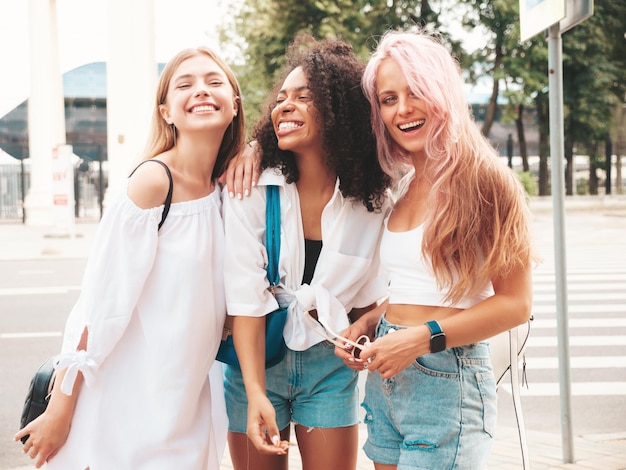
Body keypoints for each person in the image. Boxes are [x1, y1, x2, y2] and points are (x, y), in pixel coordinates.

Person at [15, 46, 245, 469]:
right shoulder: (153, 183)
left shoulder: (227, 192)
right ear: (166, 112)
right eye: (185, 84)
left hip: (185, 408)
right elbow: (98, 307)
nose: (202, 91)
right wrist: (61, 411)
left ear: (234, 104)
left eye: (215, 82)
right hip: (124, 408)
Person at [339, 30, 536, 469]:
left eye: (415, 92)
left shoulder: (484, 179)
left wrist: (417, 340)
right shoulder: (406, 183)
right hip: (388, 377)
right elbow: (426, 285)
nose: (403, 109)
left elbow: (516, 304)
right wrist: (370, 322)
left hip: (447, 379)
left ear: (441, 91)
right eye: (388, 99)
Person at [221, 35, 391, 470]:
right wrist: (256, 391)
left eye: (303, 97)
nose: (284, 106)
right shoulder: (252, 188)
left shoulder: (374, 198)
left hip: (330, 365)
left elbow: (392, 288)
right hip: (257, 360)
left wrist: (367, 327)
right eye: (281, 99)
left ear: (341, 111)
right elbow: (244, 299)